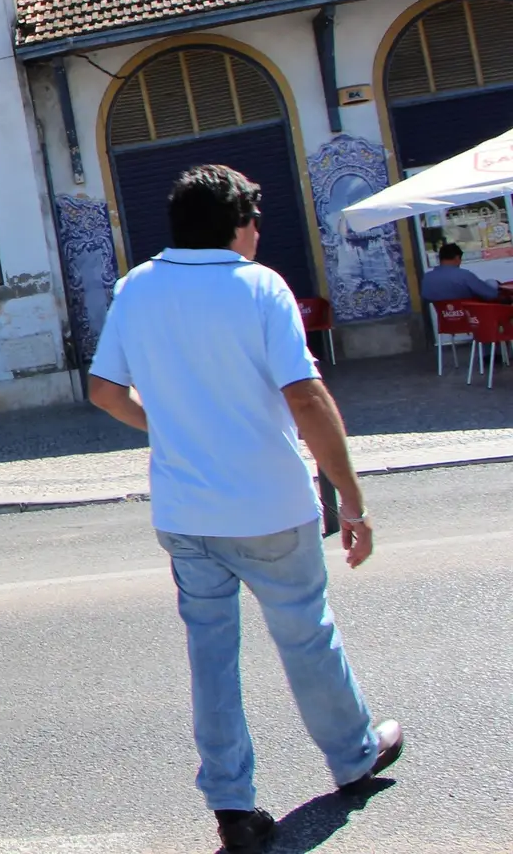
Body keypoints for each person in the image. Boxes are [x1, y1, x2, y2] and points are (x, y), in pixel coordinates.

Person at [87, 164, 403, 854]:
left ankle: (232, 804)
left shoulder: (135, 290)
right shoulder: (259, 287)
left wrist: (167, 425)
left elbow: (105, 391)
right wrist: (350, 494)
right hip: (269, 505)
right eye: (255, 220)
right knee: (305, 633)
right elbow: (307, 397)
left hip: (187, 513)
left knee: (212, 656)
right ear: (236, 225)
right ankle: (353, 755)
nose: (259, 233)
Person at [420, 242, 505, 302]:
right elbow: (491, 295)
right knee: (491, 283)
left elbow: (426, 298)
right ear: (457, 258)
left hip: (446, 320)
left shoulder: (427, 277)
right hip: (471, 319)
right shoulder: (464, 276)